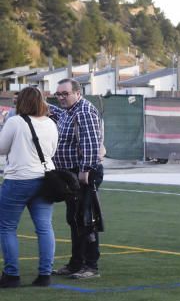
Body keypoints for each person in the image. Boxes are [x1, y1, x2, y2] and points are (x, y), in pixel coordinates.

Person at [0, 87, 57, 288]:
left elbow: (1, 148)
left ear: (21, 102)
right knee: (44, 227)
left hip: (19, 179)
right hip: (45, 178)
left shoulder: (15, 121)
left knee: (7, 227)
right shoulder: (50, 122)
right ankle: (45, 274)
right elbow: (52, 150)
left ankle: (12, 275)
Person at [49, 78, 104, 280]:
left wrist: (85, 170)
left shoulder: (83, 111)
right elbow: (58, 113)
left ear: (77, 93)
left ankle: (91, 266)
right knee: (75, 219)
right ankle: (76, 263)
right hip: (71, 173)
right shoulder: (71, 111)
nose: (61, 97)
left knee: (86, 219)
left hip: (82, 173)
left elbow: (90, 144)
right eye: (59, 94)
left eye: (65, 93)